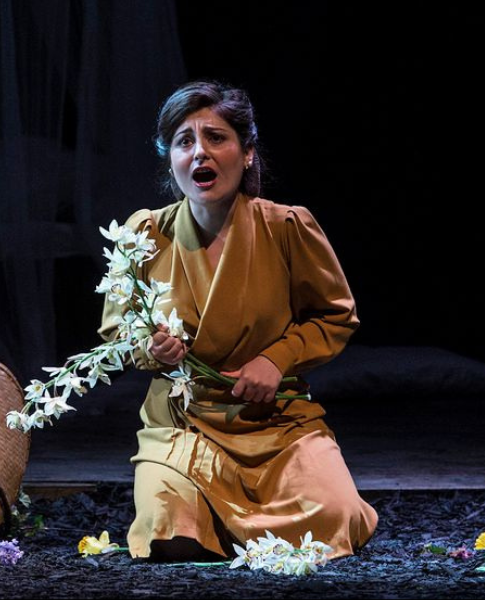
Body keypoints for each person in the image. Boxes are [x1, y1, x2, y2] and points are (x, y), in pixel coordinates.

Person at [98, 81, 376, 561]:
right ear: (171, 158)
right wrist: (151, 347)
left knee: (336, 517)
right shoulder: (143, 234)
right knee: (168, 530)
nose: (200, 152)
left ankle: (231, 525)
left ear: (247, 152)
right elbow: (119, 330)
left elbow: (335, 315)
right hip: (184, 424)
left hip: (275, 423)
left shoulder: (286, 227)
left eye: (216, 138)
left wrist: (276, 358)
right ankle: (202, 516)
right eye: (185, 141)